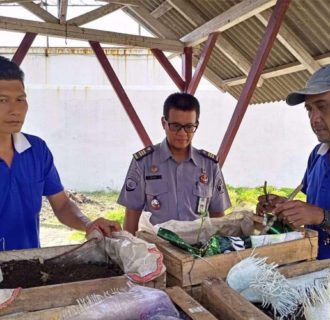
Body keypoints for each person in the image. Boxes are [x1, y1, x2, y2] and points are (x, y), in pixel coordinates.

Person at [0, 56, 121, 251]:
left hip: (28, 267)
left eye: (20, 99)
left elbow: (62, 205)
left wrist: (88, 224)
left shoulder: (37, 150)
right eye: (2, 100)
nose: (15, 110)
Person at [118, 92, 231, 235]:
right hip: (158, 250)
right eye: (175, 126)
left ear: (196, 125)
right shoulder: (143, 163)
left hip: (199, 251)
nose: (182, 133)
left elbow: (218, 218)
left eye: (189, 127)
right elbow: (131, 218)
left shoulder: (209, 166)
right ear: (163, 123)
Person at [257, 64, 330, 260]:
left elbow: (318, 214)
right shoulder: (318, 155)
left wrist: (322, 217)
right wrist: (285, 207)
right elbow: (313, 207)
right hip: (314, 272)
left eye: (322, 107)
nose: (314, 119)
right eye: (309, 110)